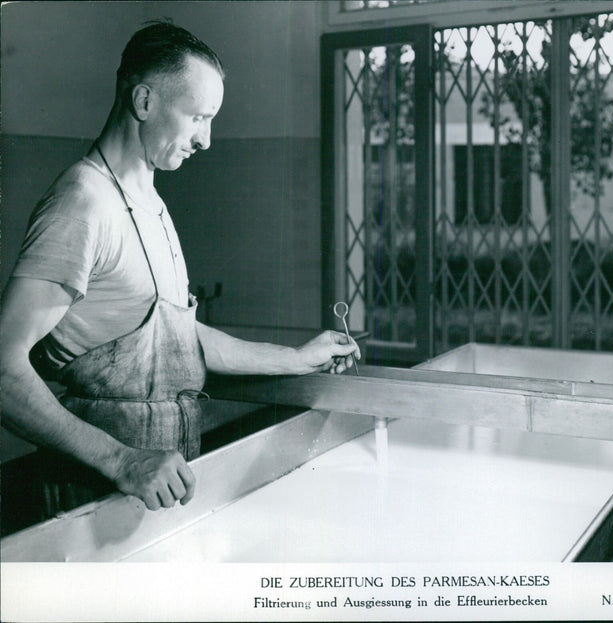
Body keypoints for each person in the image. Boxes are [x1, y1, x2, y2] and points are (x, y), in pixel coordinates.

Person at [0, 21, 359, 516]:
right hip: (97, 497)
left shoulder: (150, 201)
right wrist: (123, 461)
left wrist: (296, 358)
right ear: (144, 102)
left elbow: (176, 340)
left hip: (158, 492)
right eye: (197, 117)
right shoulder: (83, 204)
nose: (207, 140)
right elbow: (2, 367)